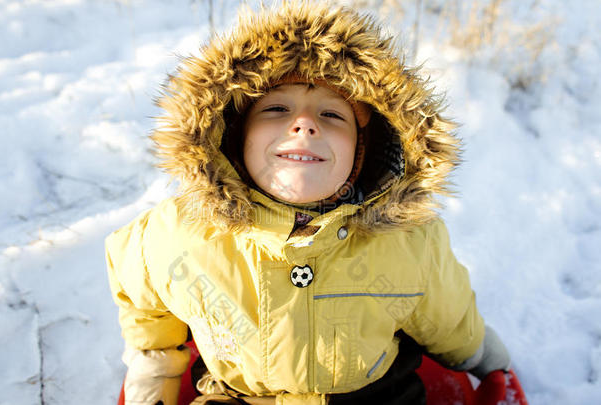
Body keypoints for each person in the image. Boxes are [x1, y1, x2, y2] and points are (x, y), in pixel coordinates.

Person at [105, 2, 511, 405]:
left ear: (366, 152)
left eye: (332, 115)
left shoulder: (410, 241)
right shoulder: (178, 233)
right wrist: (152, 369)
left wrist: (484, 359)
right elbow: (146, 301)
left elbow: (448, 315)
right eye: (277, 108)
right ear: (234, 136)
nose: (304, 123)